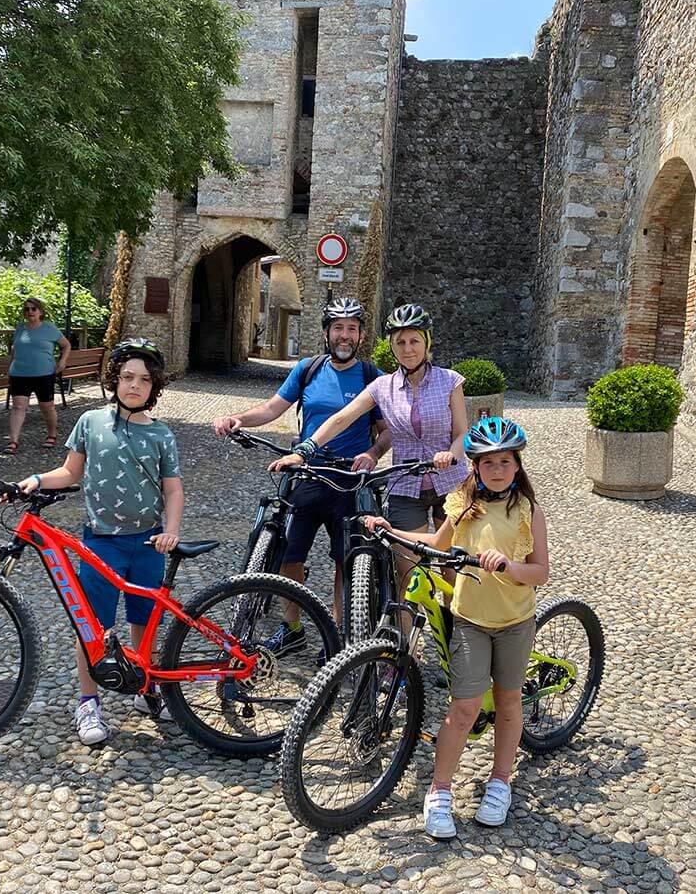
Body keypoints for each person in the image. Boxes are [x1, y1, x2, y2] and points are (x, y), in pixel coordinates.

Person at [364, 417, 549, 839]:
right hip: (470, 620)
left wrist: (509, 565)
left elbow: (541, 572)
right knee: (463, 708)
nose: (497, 469)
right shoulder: (463, 504)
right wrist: (391, 530)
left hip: (515, 622)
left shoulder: (528, 512)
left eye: (505, 461)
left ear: (517, 466)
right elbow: (436, 543)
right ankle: (440, 790)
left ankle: (500, 781)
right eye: (488, 463)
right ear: (476, 467)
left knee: (507, 702)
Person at [14, 338, 183, 745]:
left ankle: (145, 685)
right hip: (101, 542)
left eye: (144, 380)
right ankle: (88, 702)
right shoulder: (90, 422)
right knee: (93, 627)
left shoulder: (161, 435)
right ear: (114, 380)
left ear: (154, 387)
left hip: (147, 543)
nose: (134, 386)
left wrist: (171, 530)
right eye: (127, 377)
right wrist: (36, 480)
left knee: (144, 621)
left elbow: (173, 490)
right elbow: (70, 472)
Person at [212, 297, 391, 652]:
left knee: (348, 558)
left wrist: (372, 452)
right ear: (326, 333)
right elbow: (272, 408)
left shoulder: (373, 378)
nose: (345, 335)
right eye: (338, 328)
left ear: (361, 335)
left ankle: (340, 633)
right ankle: (292, 627)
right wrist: (238, 419)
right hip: (307, 472)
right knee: (288, 555)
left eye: (351, 329)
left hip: (348, 479)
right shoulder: (308, 369)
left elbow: (387, 431)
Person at [271, 303, 469, 569]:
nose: (408, 349)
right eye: (400, 342)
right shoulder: (381, 386)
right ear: (391, 346)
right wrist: (305, 449)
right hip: (406, 485)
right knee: (407, 570)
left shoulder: (450, 381)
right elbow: (342, 418)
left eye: (414, 341)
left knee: (452, 567)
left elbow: (461, 433)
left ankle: (449, 613)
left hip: (451, 481)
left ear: (426, 343)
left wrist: (451, 455)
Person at [4, 295, 72, 455]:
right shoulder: (20, 328)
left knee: (46, 407)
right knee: (18, 407)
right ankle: (13, 440)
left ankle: (52, 434)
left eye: (33, 308)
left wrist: (62, 362)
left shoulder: (49, 328)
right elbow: (15, 348)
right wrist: (11, 365)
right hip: (19, 374)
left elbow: (66, 345)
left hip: (44, 374)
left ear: (40, 312)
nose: (30, 312)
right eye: (26, 309)